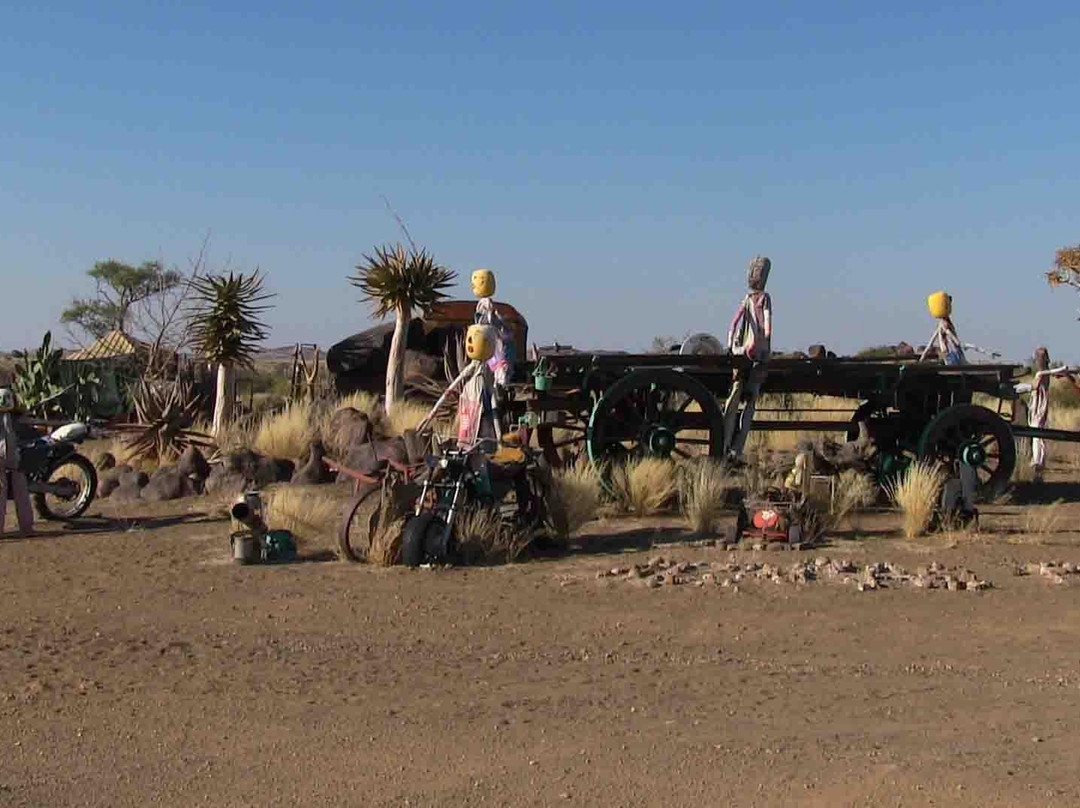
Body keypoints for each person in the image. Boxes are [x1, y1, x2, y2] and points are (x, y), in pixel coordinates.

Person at [722, 255, 773, 459]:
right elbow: (767, 323)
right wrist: (765, 342)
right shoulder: (765, 298)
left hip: (742, 350)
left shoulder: (746, 298)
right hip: (758, 353)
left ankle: (724, 444)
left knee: (733, 400)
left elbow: (734, 322)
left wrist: (731, 343)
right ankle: (736, 449)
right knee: (750, 404)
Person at [420, 324, 501, 450]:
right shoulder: (477, 371)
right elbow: (451, 388)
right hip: (471, 407)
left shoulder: (486, 372)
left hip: (479, 409)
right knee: (472, 439)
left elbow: (453, 387)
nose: (469, 343)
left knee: (483, 441)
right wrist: (432, 414)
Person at [1014, 347, 1068, 481]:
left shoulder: (1041, 373)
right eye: (1037, 356)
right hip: (1036, 404)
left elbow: (1035, 385)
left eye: (1040, 357)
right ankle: (1037, 460)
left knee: (1037, 432)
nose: (1038, 359)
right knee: (1036, 432)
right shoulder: (1043, 372)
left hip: (1039, 405)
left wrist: (1018, 388)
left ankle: (1038, 461)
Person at [471, 268, 515, 431]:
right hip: (490, 356)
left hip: (493, 356)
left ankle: (494, 430)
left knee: (491, 393)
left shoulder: (486, 306)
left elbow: (493, 325)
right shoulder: (484, 306)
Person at [0, 387, 35, 537]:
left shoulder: (15, 418)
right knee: (21, 494)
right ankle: (26, 527)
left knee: (14, 493)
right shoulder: (17, 417)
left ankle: (25, 527)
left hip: (11, 459)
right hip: (13, 458)